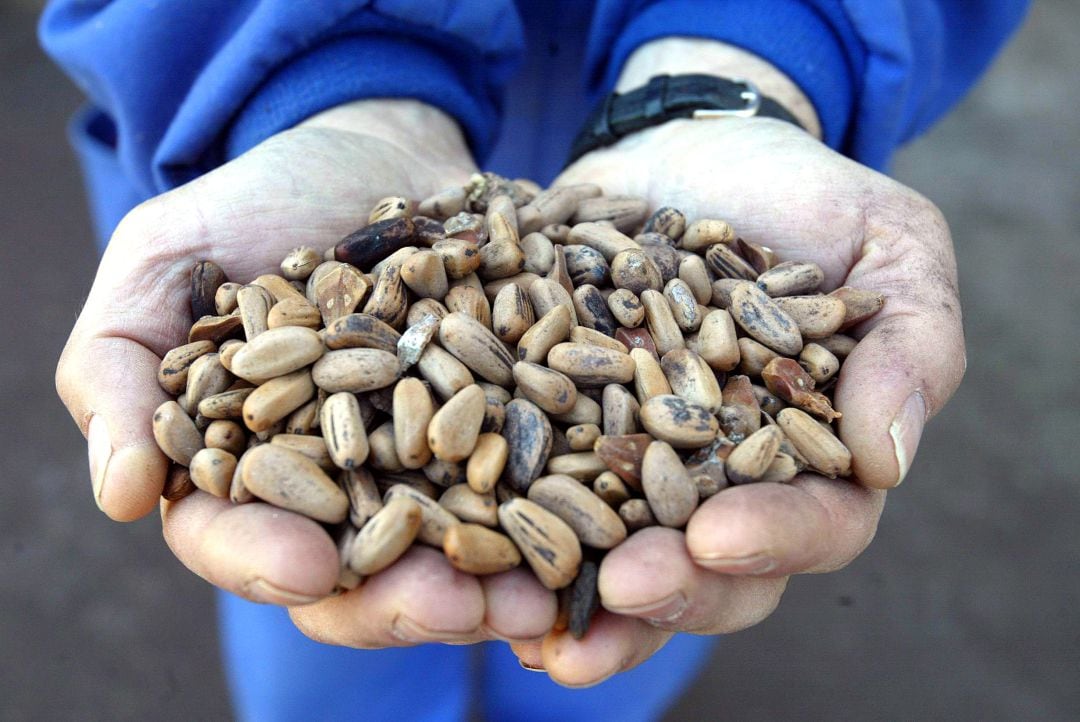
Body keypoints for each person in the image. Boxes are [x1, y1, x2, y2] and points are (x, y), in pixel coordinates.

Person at [42, 1, 1027, 720]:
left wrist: (759, 49)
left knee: (626, 620)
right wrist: (310, 78)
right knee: (322, 605)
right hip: (269, 116)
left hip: (692, 134)